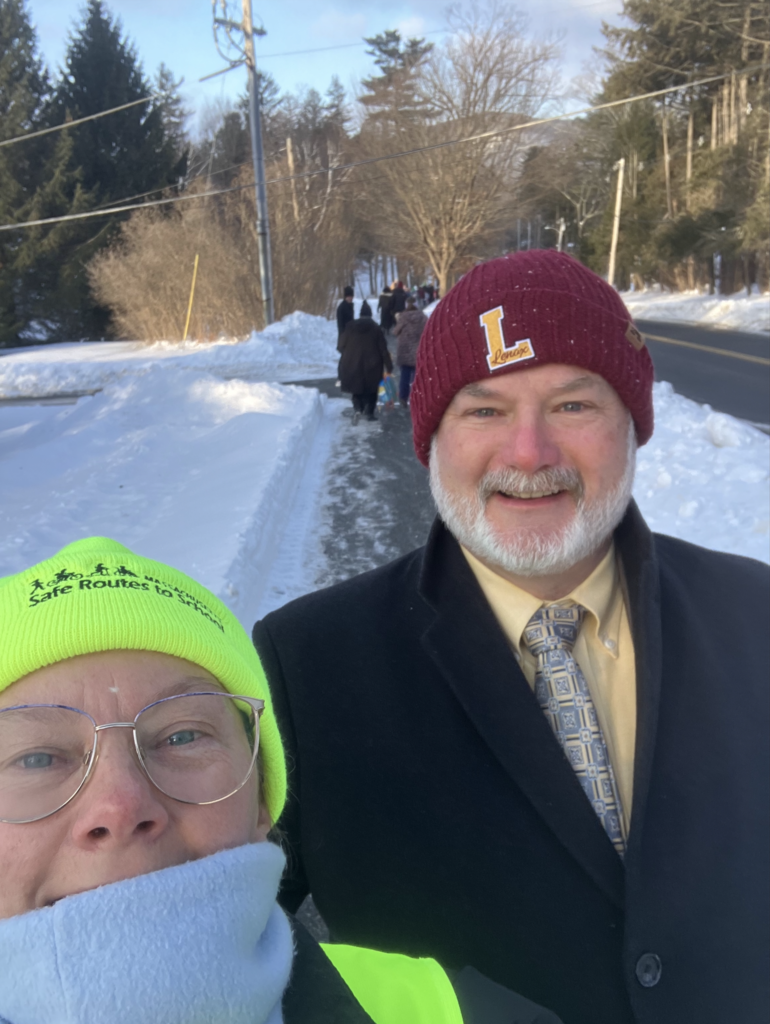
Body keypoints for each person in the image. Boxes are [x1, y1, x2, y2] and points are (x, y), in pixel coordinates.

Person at [253, 250, 770, 1024]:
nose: (528, 453)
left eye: (572, 405)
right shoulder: (308, 665)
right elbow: (226, 939)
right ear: (432, 436)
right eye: (484, 410)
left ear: (634, 424)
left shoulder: (754, 615)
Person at [0, 536, 565, 1024]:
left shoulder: (449, 1012)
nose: (120, 805)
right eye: (37, 758)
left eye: (182, 736)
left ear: (263, 798)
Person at [337, 309, 393, 424]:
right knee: (372, 389)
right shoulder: (376, 329)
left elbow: (340, 346)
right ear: (370, 315)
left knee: (356, 387)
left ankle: (358, 408)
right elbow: (383, 350)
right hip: (373, 364)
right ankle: (369, 412)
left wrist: (349, 352)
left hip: (352, 363)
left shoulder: (350, 327)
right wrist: (389, 366)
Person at [392, 297, 427, 407]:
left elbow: (395, 331)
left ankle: (403, 397)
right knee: (418, 377)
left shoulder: (403, 317)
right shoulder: (423, 317)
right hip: (419, 351)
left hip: (405, 351)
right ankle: (418, 398)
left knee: (404, 376)